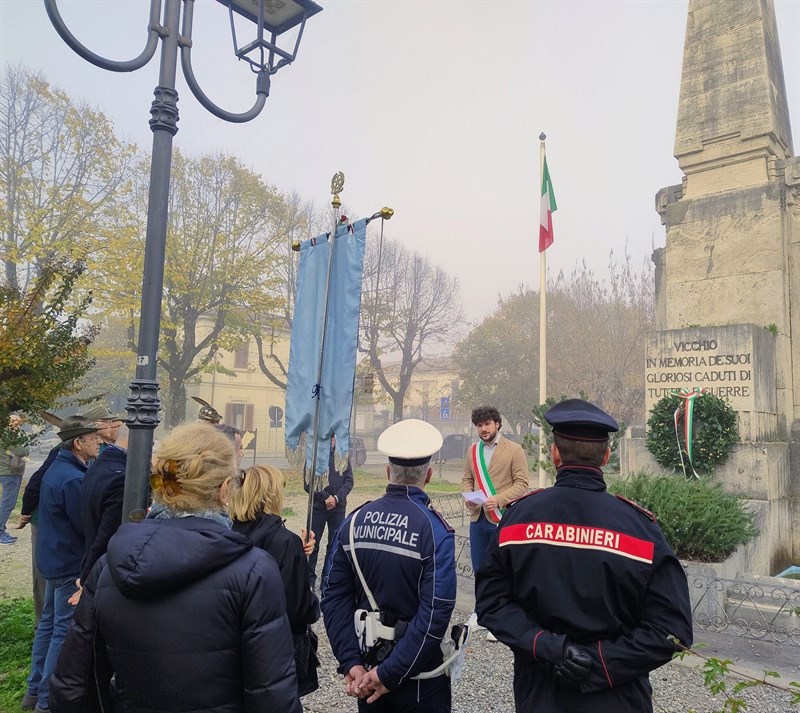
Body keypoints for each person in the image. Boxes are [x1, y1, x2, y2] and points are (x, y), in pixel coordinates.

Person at [47, 422, 300, 713]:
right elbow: (272, 696)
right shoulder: (254, 571)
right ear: (225, 489)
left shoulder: (108, 566)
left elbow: (73, 686)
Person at [474, 399, 693, 713]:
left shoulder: (517, 519)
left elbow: (491, 603)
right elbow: (672, 631)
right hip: (617, 696)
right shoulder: (641, 530)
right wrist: (600, 663)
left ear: (554, 454)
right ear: (605, 456)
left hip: (540, 690)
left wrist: (547, 647)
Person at [321, 419, 456, 712]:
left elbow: (332, 597)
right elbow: (435, 614)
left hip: (366, 672)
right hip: (417, 680)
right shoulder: (434, 531)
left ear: (387, 472)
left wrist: (351, 662)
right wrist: (388, 674)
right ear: (429, 475)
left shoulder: (354, 522)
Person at [23, 415, 102, 713]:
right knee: (60, 631)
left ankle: (33, 691)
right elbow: (85, 524)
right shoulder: (72, 479)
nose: (98, 442)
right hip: (67, 562)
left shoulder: (60, 468)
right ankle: (45, 701)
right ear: (78, 443)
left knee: (47, 626)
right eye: (93, 438)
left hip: (53, 558)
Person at [230, 463, 320, 695]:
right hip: (274, 653)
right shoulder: (285, 542)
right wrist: (313, 600)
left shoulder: (226, 531)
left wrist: (298, 553)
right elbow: (298, 610)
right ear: (272, 494)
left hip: (232, 646)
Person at [461, 406, 528, 639]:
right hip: (478, 518)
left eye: (487, 424)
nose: (483, 429)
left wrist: (498, 500)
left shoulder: (514, 450)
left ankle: (501, 617)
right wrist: (468, 497)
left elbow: (522, 484)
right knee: (480, 568)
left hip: (501, 518)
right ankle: (481, 612)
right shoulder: (472, 451)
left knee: (502, 569)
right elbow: (467, 479)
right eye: (479, 425)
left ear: (497, 424)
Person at [76, 423, 129, 590]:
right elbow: (107, 533)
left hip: (93, 559)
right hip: (105, 568)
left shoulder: (100, 464)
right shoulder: (121, 476)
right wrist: (87, 575)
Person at [306, 434, 354, 590]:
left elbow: (349, 480)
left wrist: (337, 498)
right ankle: (309, 580)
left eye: (335, 437)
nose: (333, 440)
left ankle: (327, 579)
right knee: (313, 544)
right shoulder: (313, 455)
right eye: (330, 436)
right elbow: (308, 482)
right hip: (318, 508)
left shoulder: (343, 456)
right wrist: (325, 498)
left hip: (338, 509)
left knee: (334, 544)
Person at [0, 412, 29, 545]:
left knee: (7, 502)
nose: (16, 423)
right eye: (13, 421)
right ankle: (0, 533)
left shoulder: (8, 432)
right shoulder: (9, 434)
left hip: (8, 470)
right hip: (9, 472)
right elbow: (22, 451)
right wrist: (25, 446)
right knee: (8, 503)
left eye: (18, 421)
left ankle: (2, 529)